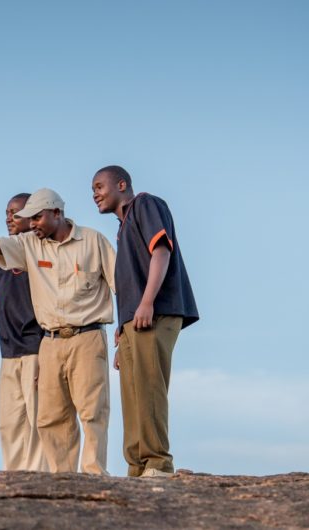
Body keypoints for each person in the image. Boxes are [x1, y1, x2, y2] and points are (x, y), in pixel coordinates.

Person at [0, 188, 116, 475]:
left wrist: (124, 329)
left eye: (36, 217)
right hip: (45, 342)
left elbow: (119, 284)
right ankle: (62, 477)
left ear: (56, 213)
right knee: (51, 417)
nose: (32, 223)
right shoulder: (25, 245)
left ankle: (93, 473)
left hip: (85, 336)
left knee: (92, 411)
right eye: (29, 219)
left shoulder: (93, 240)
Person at [91, 165, 199, 478]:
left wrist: (148, 301)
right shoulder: (123, 226)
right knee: (132, 392)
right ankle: (137, 465)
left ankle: (158, 463)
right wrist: (122, 330)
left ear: (121, 184)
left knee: (150, 386)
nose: (95, 194)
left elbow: (162, 251)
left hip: (156, 311)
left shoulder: (146, 205)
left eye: (100, 186)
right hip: (133, 322)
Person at [0, 193, 48, 472]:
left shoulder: (42, 249)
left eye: (15, 213)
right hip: (9, 348)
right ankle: (15, 474)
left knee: (39, 417)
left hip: (37, 345)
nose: (9, 218)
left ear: (32, 216)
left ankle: (41, 475)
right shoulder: (2, 252)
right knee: (10, 420)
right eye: (7, 212)